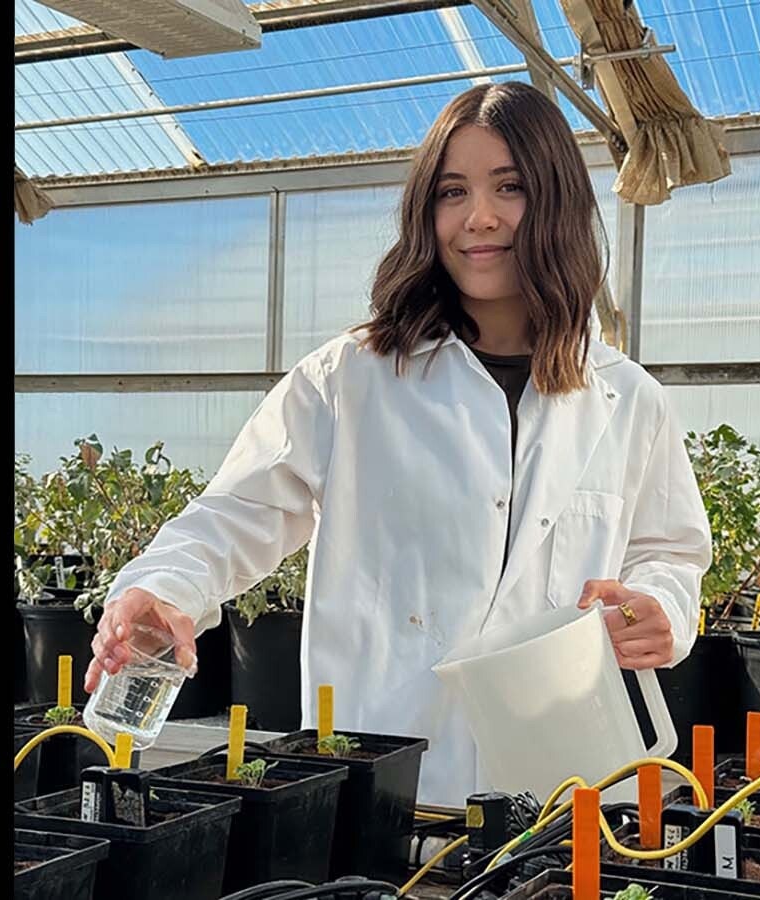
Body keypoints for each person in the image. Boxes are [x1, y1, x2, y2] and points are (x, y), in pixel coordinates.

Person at [83, 81, 712, 807]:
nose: (478, 217)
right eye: (452, 192)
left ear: (558, 201)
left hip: (570, 776)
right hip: (391, 777)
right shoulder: (351, 378)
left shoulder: (627, 398)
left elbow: (670, 550)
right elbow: (237, 511)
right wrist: (163, 589)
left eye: (509, 187)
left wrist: (663, 605)